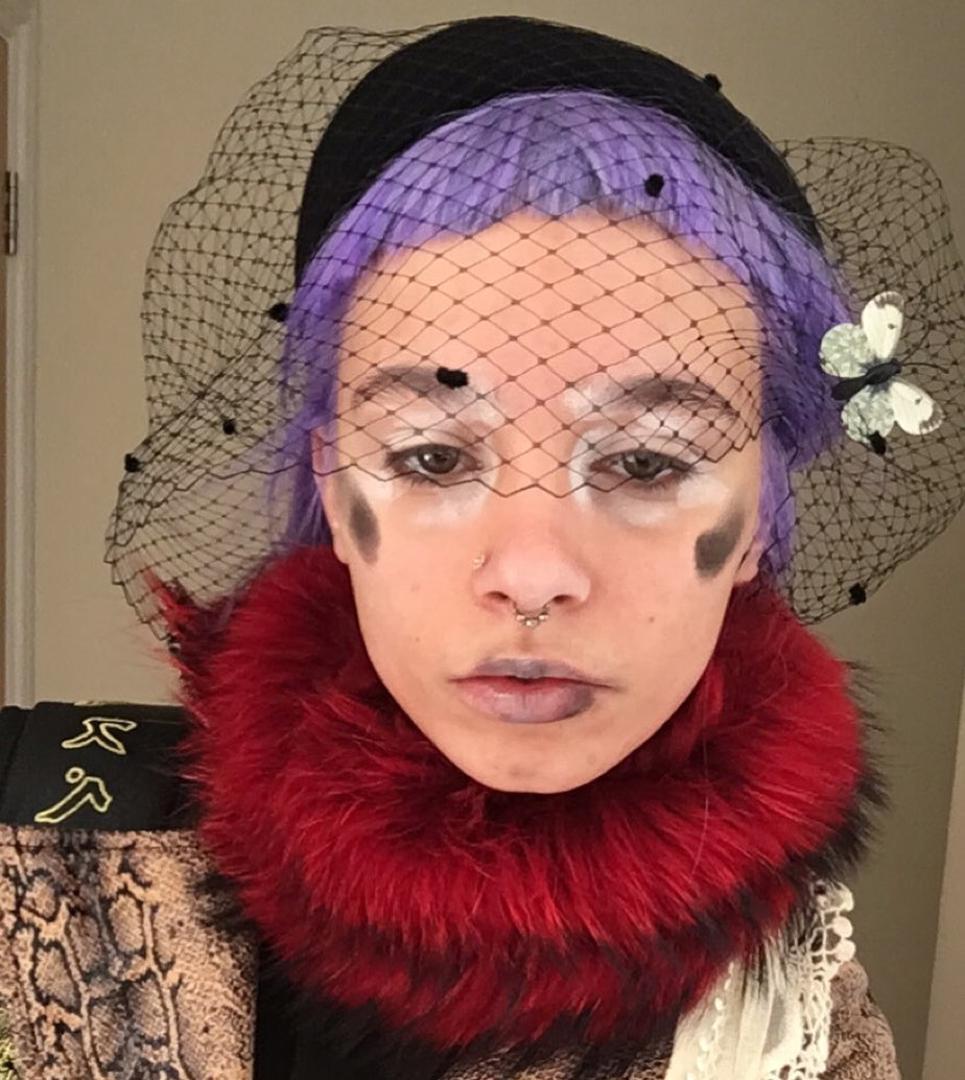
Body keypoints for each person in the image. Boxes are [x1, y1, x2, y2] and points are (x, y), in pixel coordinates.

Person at [3, 14, 962, 1078]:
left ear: (756, 524)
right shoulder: (42, 842)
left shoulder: (795, 1016)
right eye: (431, 457)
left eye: (647, 463)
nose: (532, 574)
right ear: (334, 491)